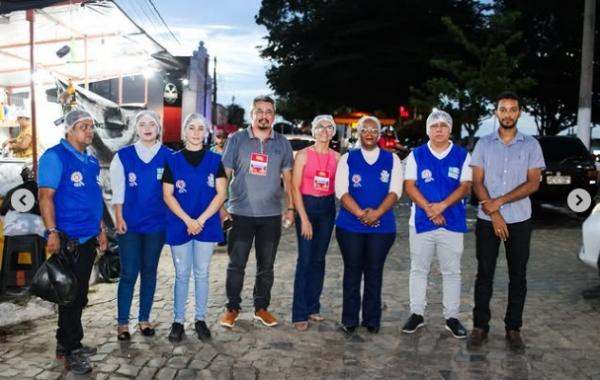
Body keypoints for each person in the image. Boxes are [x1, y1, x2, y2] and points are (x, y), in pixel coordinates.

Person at [467, 91, 545, 353]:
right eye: (503, 109)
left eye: (513, 109)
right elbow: (477, 182)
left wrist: (499, 202)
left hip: (520, 219)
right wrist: (495, 214)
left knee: (518, 276)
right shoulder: (484, 144)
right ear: (496, 113)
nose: (508, 114)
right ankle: (480, 326)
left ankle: (513, 329)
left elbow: (533, 182)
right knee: (484, 274)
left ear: (519, 113)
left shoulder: (531, 145)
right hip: (488, 221)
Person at [38, 109, 108, 375]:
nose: (89, 131)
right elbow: (45, 196)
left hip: (88, 237)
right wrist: (52, 231)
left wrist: (101, 229)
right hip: (68, 239)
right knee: (72, 295)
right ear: (69, 129)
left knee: (75, 294)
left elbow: (93, 200)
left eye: (91, 126)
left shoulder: (90, 161)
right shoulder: (55, 156)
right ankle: (73, 349)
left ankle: (63, 343)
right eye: (83, 126)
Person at [220, 95, 294, 328]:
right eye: (259, 111)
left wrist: (290, 208)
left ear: (274, 115)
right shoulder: (237, 140)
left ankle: (261, 308)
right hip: (240, 213)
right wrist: (221, 207)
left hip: (270, 215)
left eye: (268, 111)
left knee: (266, 266)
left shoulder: (282, 143)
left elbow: (289, 180)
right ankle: (232, 308)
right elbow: (224, 174)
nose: (264, 115)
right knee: (236, 264)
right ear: (252, 114)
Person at [401, 110, 471, 339]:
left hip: (452, 222)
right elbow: (410, 186)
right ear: (428, 130)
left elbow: (464, 186)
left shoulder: (462, 155)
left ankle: (451, 317)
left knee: (451, 272)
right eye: (434, 125)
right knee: (419, 269)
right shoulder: (416, 155)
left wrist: (442, 206)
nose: (439, 129)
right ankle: (417, 313)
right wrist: (430, 209)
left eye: (443, 125)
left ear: (450, 129)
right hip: (421, 221)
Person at [334, 115, 403, 335]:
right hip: (350, 226)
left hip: (381, 228)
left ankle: (372, 319)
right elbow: (341, 191)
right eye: (365, 130)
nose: (370, 134)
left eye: (374, 130)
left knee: (374, 271)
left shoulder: (392, 160)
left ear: (380, 134)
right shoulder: (348, 159)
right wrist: (360, 214)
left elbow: (396, 191)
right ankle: (349, 319)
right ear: (359, 133)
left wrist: (378, 213)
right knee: (352, 271)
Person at [162, 113, 227, 342]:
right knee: (181, 274)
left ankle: (200, 319)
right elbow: (168, 195)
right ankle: (178, 321)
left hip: (206, 225)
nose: (197, 132)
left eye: (201, 128)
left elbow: (221, 193)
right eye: (192, 127)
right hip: (180, 223)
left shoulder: (214, 160)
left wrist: (200, 220)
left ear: (206, 132)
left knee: (202, 273)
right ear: (184, 132)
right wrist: (188, 221)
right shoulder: (172, 160)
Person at [109, 110, 171, 341]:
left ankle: (144, 319)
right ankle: (123, 324)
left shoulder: (168, 156)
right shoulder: (123, 156)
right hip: (130, 225)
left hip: (157, 226)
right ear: (136, 129)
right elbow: (118, 190)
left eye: (152, 124)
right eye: (142, 124)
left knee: (149, 272)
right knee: (128, 273)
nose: (147, 127)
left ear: (158, 129)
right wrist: (119, 217)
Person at [291, 114, 340, 331]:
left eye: (329, 127)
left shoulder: (338, 158)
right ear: (313, 131)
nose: (324, 130)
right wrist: (303, 218)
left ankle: (312, 306)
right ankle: (299, 312)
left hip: (327, 209)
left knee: (319, 260)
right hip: (307, 207)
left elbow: (342, 186)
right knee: (305, 260)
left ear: (333, 131)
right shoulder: (303, 155)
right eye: (320, 127)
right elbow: (294, 188)